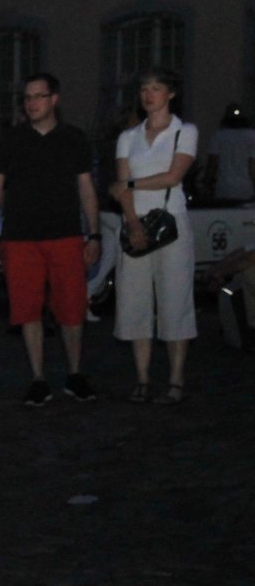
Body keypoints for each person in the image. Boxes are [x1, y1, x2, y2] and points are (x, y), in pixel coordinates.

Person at [0, 72, 101, 406]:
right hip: (20, 238)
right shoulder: (12, 140)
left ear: (54, 99)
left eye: (38, 96)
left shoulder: (73, 138)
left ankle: (75, 374)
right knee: (27, 308)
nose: (31, 103)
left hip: (64, 235)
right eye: (27, 97)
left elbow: (86, 188)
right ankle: (38, 378)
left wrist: (94, 234)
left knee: (71, 308)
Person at [111, 67, 198, 404]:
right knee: (134, 301)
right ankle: (143, 377)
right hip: (135, 222)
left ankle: (176, 378)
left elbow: (173, 176)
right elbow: (120, 189)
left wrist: (131, 183)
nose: (148, 95)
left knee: (175, 299)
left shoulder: (184, 131)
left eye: (156, 88)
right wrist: (132, 224)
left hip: (171, 224)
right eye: (144, 88)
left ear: (170, 93)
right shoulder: (128, 137)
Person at [203, 102, 255, 202]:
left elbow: (212, 164)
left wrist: (206, 184)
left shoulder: (218, 136)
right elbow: (252, 167)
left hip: (224, 188)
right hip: (247, 189)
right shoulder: (252, 136)